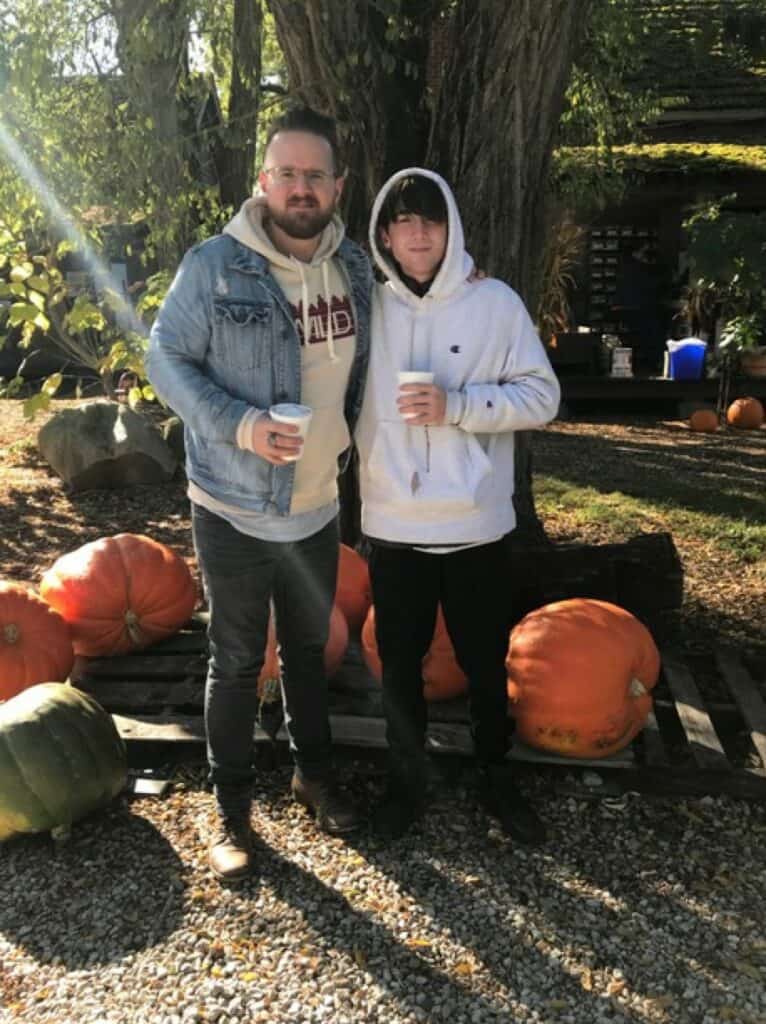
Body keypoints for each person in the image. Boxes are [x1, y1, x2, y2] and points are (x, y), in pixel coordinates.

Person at [146, 106, 372, 882]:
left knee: (309, 652)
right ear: (262, 180)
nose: (301, 188)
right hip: (233, 506)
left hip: (316, 507)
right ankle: (232, 813)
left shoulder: (356, 269)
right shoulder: (215, 264)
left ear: (337, 185)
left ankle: (314, 778)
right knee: (238, 658)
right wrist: (240, 426)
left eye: (315, 175)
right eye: (287, 173)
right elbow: (165, 358)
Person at [355, 169, 561, 843]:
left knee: (482, 656)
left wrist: (461, 407)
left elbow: (542, 397)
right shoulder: (365, 307)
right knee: (399, 658)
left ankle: (494, 775)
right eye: (403, 221)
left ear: (451, 229)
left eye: (431, 220)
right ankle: (406, 781)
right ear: (384, 233)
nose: (417, 233)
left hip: (475, 521)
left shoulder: (494, 304)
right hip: (393, 519)